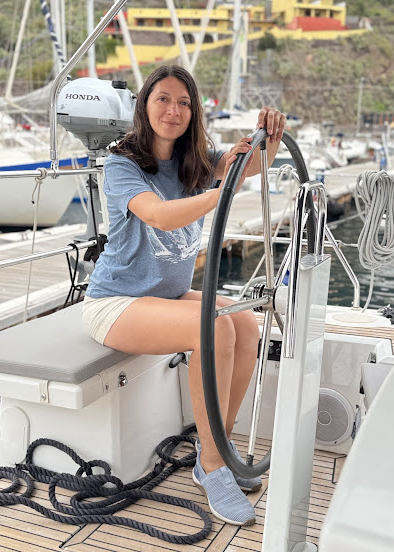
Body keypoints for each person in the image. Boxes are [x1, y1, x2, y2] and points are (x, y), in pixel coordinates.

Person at [82, 65, 286, 526]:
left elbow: (253, 165)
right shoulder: (121, 164)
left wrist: (268, 136)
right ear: (144, 105)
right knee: (213, 329)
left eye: (184, 102)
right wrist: (221, 192)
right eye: (163, 99)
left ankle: (218, 448)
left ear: (193, 113)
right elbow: (159, 215)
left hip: (168, 296)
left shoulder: (196, 159)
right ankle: (212, 467)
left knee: (244, 322)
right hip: (115, 302)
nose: (173, 110)